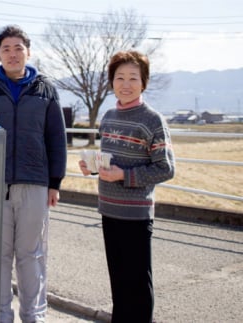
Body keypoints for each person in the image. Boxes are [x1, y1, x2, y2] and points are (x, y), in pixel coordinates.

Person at [0, 25, 67, 323]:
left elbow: (56, 139)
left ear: (28, 52)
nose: (12, 53)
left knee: (32, 255)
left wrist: (55, 182)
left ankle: (34, 317)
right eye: (6, 48)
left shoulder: (46, 89)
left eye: (18, 47)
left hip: (35, 183)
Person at [78, 50, 175, 322]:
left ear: (144, 82)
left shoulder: (152, 120)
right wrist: (91, 168)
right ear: (112, 82)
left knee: (138, 287)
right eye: (119, 77)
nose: (126, 83)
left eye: (133, 77)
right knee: (119, 284)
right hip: (108, 210)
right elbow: (108, 161)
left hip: (136, 213)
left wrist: (124, 176)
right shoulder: (108, 117)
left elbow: (166, 168)